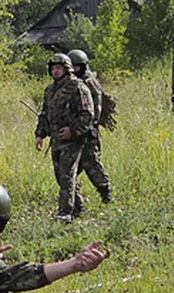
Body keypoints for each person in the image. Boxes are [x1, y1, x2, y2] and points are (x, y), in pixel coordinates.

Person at [35, 53, 95, 223]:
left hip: (73, 141)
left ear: (66, 69)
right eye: (53, 68)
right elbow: (45, 114)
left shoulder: (78, 87)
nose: (55, 71)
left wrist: (73, 130)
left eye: (59, 68)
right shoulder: (50, 90)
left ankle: (65, 212)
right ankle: (78, 207)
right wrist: (40, 134)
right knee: (60, 176)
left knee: (67, 175)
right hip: (56, 140)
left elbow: (87, 115)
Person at [68, 49, 113, 205]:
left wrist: (83, 126)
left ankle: (105, 191)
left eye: (77, 67)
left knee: (91, 163)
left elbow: (95, 110)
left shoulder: (90, 83)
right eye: (71, 66)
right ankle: (74, 201)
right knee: (69, 168)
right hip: (72, 132)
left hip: (87, 132)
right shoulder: (69, 84)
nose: (74, 70)